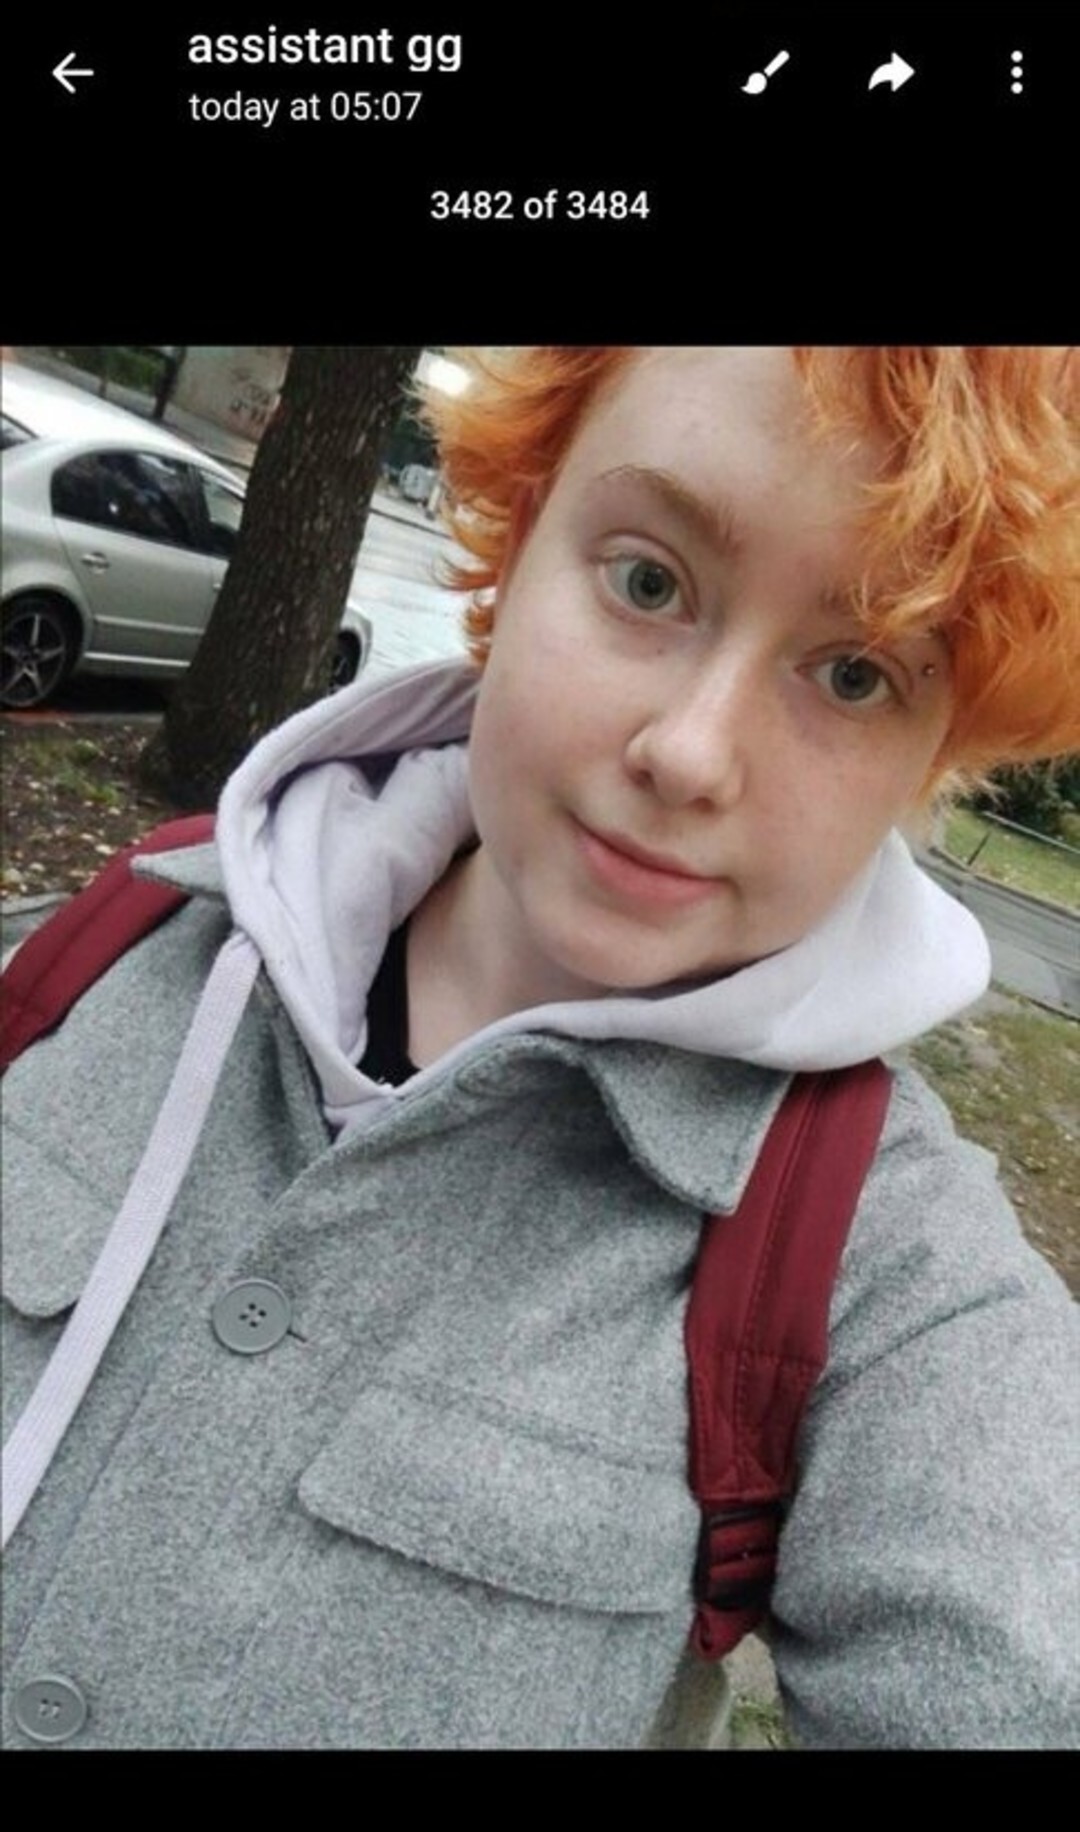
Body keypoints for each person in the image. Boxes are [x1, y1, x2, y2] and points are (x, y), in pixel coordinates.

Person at [2, 345, 1077, 1751]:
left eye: (859, 673)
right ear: (519, 540)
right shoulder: (129, 935)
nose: (691, 754)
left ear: (929, 754)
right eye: (649, 582)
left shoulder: (889, 1270)